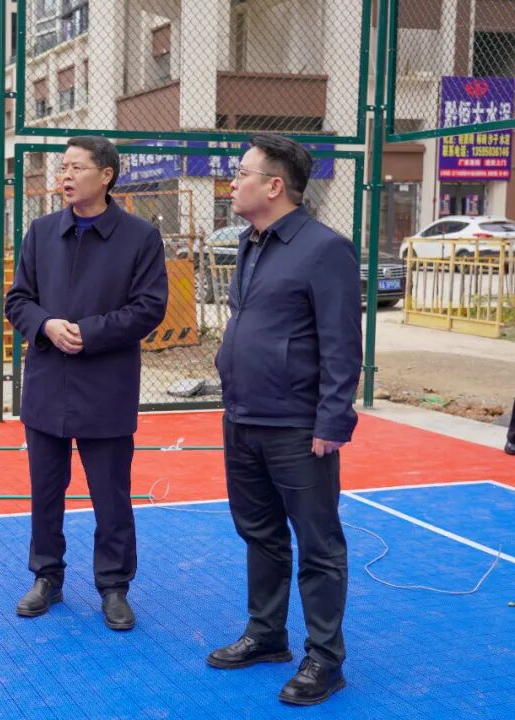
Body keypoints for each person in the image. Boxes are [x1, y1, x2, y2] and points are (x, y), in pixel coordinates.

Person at [206, 133, 361, 706]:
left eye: (241, 173)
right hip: (243, 416)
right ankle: (267, 634)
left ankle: (325, 658)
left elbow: (342, 344)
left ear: (274, 185)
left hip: (297, 425)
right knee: (260, 533)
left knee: (319, 544)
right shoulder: (252, 242)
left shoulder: (325, 249)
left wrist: (332, 420)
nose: (232, 182)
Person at [4, 136, 168, 631]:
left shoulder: (140, 237)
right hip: (47, 383)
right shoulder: (41, 232)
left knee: (111, 495)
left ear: (107, 175)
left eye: (77, 167)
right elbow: (18, 300)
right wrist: (47, 325)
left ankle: (114, 586)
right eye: (63, 168)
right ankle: (46, 576)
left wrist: (89, 333)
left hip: (106, 386)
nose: (66, 176)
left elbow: (149, 307)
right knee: (45, 490)